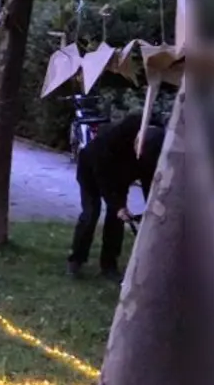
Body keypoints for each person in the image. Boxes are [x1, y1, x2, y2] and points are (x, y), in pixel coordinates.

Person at [69, 113, 165, 280]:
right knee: (91, 213)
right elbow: (103, 178)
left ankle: (109, 265)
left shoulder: (152, 150)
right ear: (137, 139)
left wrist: (151, 205)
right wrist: (118, 205)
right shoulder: (112, 139)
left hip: (121, 176)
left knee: (116, 219)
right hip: (92, 168)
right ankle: (76, 260)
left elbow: (148, 180)